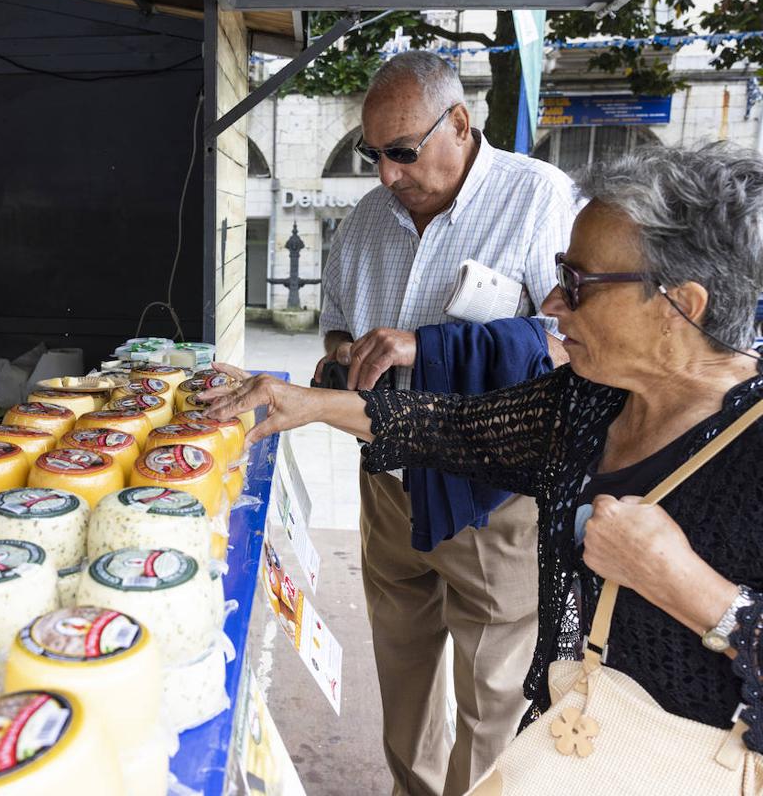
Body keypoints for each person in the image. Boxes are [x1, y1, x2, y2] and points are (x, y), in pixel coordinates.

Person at [206, 142, 763, 765]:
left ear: (680, 306)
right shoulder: (589, 400)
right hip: (574, 752)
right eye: (559, 273)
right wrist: (305, 403)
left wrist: (688, 587)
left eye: (578, 285)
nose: (551, 305)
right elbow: (456, 426)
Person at [316, 51, 575, 795]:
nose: (387, 175)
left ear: (459, 125)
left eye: (402, 152)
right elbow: (333, 328)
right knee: (402, 676)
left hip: (489, 495)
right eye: (374, 155)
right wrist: (348, 354)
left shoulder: (537, 197)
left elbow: (574, 346)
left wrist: (431, 349)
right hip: (389, 486)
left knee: (494, 699)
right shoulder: (367, 220)